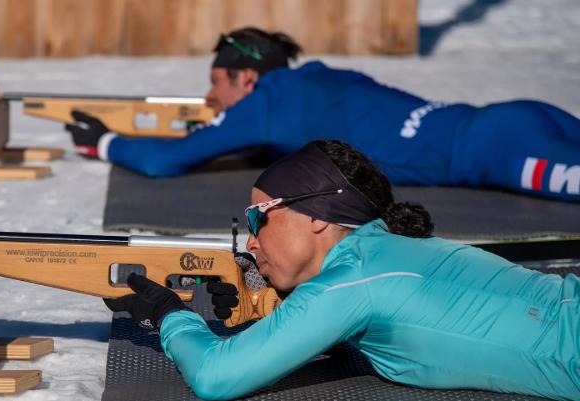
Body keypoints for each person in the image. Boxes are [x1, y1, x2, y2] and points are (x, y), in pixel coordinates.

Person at [103, 140, 580, 401]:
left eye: (258, 217)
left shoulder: (352, 284)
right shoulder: (386, 251)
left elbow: (215, 376)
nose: (251, 238)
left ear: (316, 215)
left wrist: (170, 314)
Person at [64, 27, 580, 202]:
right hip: (519, 118)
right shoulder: (320, 77)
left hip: (499, 154)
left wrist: (104, 141)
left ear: (246, 79)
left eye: (216, 82)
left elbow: (165, 161)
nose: (208, 96)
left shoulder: (266, 101)